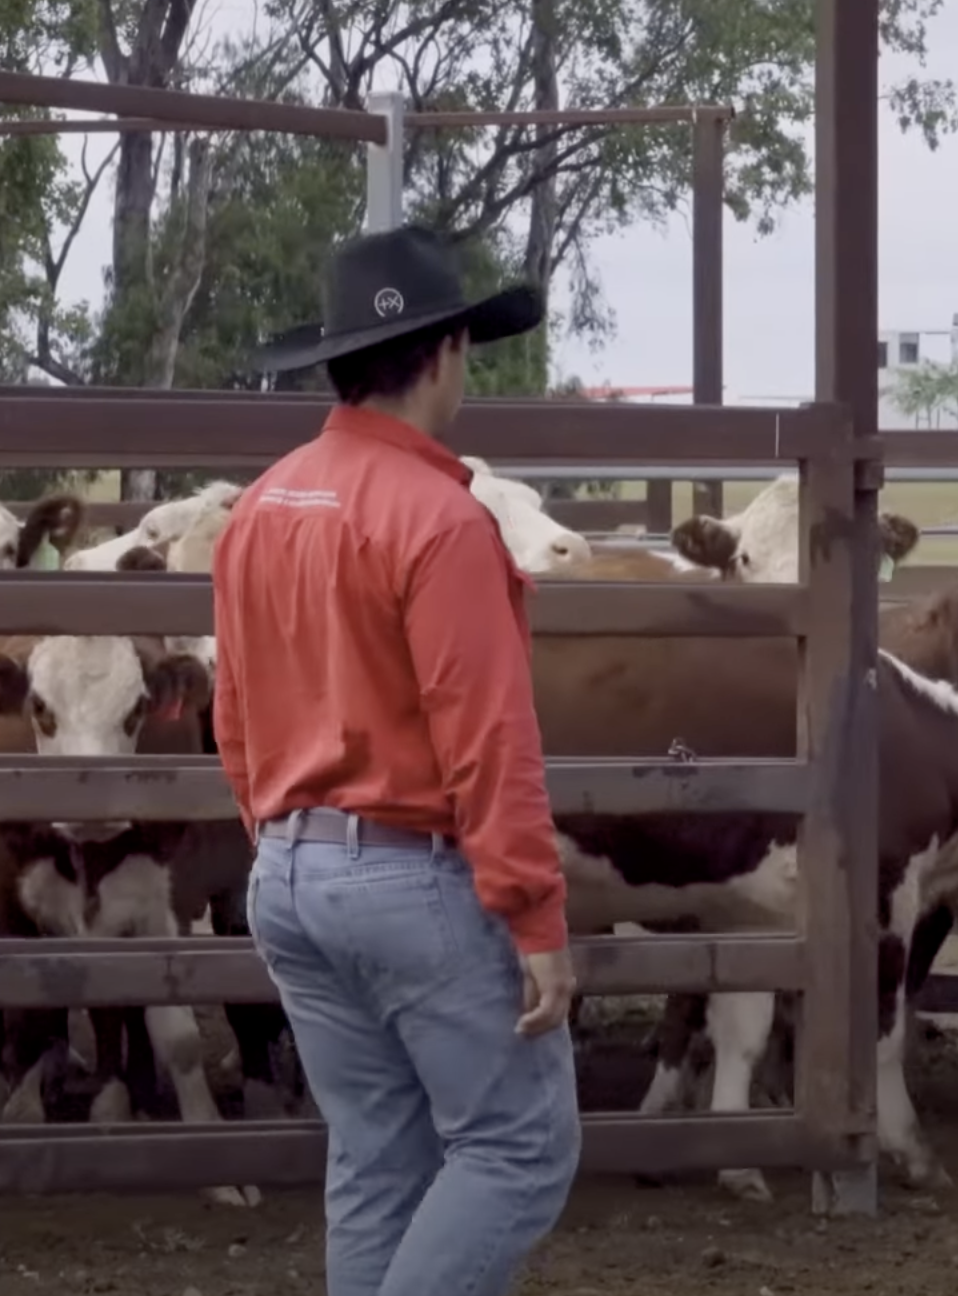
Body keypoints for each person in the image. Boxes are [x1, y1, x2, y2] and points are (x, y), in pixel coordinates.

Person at [210, 224, 581, 1296]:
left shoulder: (262, 506)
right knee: (520, 1148)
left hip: (286, 869)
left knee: (379, 1155)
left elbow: (235, 715)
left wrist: (289, 843)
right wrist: (535, 916)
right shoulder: (441, 520)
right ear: (450, 350)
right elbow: (488, 735)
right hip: (407, 876)